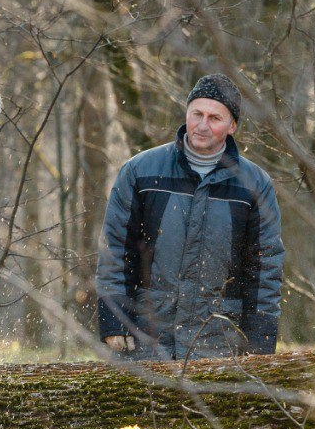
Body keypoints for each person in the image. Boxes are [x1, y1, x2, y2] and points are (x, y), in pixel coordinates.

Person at [96, 73, 283, 360]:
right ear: (186, 113)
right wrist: (114, 319)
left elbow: (265, 268)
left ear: (232, 126)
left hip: (219, 340)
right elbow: (116, 249)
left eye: (214, 118)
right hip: (147, 336)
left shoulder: (254, 184)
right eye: (197, 114)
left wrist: (260, 341)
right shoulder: (141, 171)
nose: (202, 126)